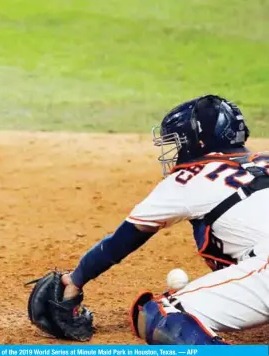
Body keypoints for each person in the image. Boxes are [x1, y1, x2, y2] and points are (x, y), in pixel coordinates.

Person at [27, 94, 268, 344]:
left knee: (163, 315)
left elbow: (122, 240)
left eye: (180, 142)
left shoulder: (190, 178)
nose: (178, 151)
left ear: (198, 140)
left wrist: (75, 280)